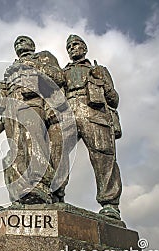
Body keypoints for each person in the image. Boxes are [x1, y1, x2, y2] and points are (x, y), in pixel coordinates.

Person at [0, 35, 69, 205]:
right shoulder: (12, 67)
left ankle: (40, 185)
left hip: (31, 102)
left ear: (32, 45)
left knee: (33, 141)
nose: (19, 44)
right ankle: (20, 193)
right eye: (17, 42)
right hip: (11, 108)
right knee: (15, 149)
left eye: (23, 41)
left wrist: (33, 66)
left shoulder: (42, 57)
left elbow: (59, 77)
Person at [62, 34, 123, 220]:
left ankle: (110, 204)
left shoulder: (99, 69)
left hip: (94, 112)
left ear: (85, 48)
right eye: (69, 46)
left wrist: (102, 82)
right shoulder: (62, 72)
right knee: (57, 153)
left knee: (103, 156)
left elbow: (114, 99)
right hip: (67, 111)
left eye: (76, 44)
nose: (73, 48)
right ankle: (54, 194)